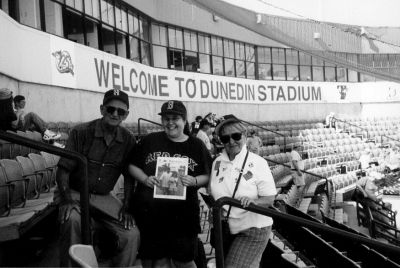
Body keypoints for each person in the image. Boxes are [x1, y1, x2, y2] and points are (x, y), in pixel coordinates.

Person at [55, 89, 139, 267]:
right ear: (102, 109)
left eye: (121, 111)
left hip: (103, 196)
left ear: (126, 115)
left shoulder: (128, 139)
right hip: (75, 191)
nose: (115, 114)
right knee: (72, 221)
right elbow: (63, 170)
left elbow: (130, 177)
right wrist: (67, 200)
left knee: (131, 233)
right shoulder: (81, 132)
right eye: (110, 109)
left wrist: (127, 206)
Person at [128, 100, 212, 268]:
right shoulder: (150, 140)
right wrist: (145, 178)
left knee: (185, 261)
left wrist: (194, 180)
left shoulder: (196, 145)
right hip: (152, 214)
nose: (170, 123)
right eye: (166, 118)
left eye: (175, 118)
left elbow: (208, 175)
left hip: (184, 215)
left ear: (184, 121)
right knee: (158, 260)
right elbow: (132, 165)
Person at [210, 114, 277, 268]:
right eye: (225, 138)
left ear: (245, 135)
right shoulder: (217, 162)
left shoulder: (258, 162)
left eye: (236, 136)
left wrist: (255, 201)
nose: (231, 141)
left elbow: (269, 199)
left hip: (253, 229)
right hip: (228, 229)